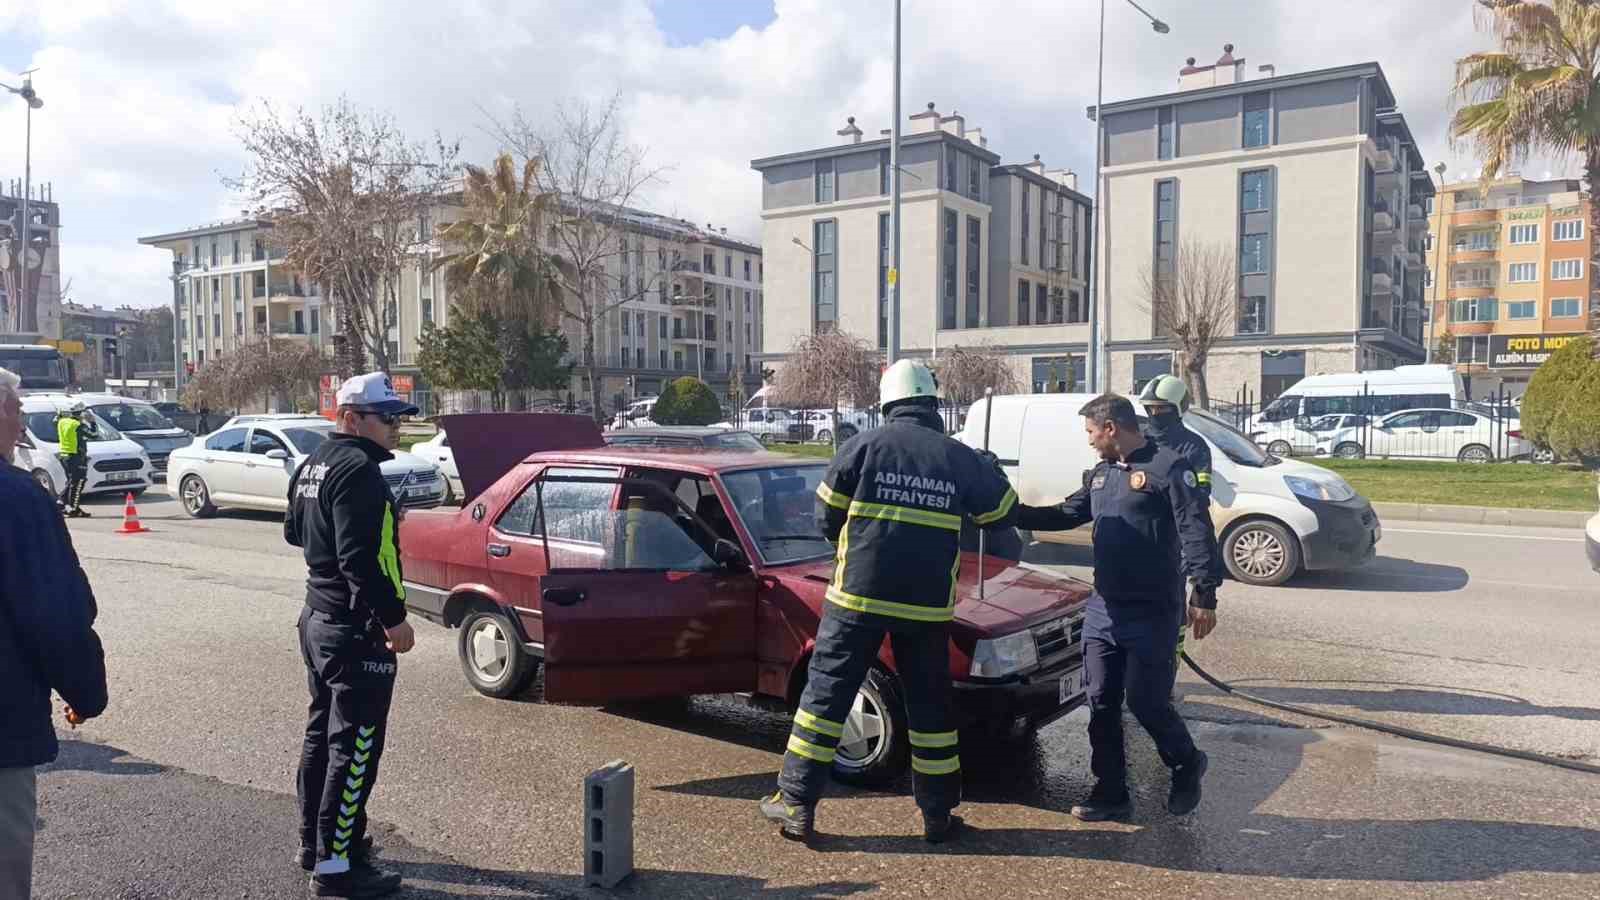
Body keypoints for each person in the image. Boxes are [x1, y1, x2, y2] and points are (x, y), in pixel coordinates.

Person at [759, 360, 1018, 844]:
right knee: (930, 711)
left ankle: (795, 803)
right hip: (925, 609)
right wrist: (984, 468)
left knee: (826, 697)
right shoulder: (956, 456)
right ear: (933, 404)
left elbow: (825, 518)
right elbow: (1000, 513)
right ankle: (937, 816)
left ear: (887, 402)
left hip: (856, 597)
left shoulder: (861, 447)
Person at [1016, 393, 1222, 822]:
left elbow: (1196, 528)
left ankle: (1186, 762)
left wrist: (1204, 592)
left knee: (1146, 702)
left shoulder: (1168, 468)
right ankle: (1110, 792)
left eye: (1091, 432)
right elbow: (1066, 513)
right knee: (1101, 702)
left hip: (1153, 610)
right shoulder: (1101, 475)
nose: (1089, 440)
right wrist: (1004, 511)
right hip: (1104, 610)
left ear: (1111, 428)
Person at [285, 372, 418, 898]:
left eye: (398, 418)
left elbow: (294, 531)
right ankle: (336, 868)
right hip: (354, 628)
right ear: (351, 419)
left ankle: (314, 844)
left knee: (323, 734)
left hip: (318, 618)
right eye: (387, 419)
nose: (396, 429)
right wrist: (393, 619)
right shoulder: (359, 471)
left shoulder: (314, 462)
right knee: (356, 746)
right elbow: (358, 558)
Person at [0, 367, 108, 898]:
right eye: (16, 408)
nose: (21, 419)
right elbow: (56, 612)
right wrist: (85, 692)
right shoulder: (17, 500)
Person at [1138, 374, 1212, 675]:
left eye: (1161, 409)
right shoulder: (1140, 439)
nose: (1154, 415)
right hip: (1140, 538)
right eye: (1150, 408)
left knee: (1172, 612)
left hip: (1175, 544)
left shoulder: (1194, 447)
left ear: (1177, 408)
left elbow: (1199, 499)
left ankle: (1168, 670)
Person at [57, 401, 97, 517]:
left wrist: (60, 414)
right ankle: (74, 509)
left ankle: (61, 502)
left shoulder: (62, 422)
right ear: (80, 413)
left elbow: (56, 419)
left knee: (72, 481)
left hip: (65, 455)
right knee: (79, 482)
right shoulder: (77, 425)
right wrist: (93, 422)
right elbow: (94, 435)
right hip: (75, 457)